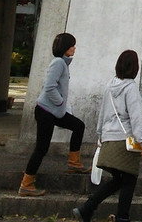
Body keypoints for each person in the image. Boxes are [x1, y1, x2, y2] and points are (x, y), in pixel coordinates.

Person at [73, 50, 142, 222]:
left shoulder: (110, 85)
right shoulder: (131, 88)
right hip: (125, 141)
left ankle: (87, 209)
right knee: (129, 179)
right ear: (135, 67)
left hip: (109, 139)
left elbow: (102, 113)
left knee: (118, 179)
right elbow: (136, 117)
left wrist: (101, 136)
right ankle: (122, 217)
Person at [19, 32, 90, 197]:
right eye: (72, 45)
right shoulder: (58, 63)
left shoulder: (63, 64)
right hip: (46, 111)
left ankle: (74, 163)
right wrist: (59, 103)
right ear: (65, 47)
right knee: (41, 148)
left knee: (78, 126)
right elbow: (49, 86)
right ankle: (26, 183)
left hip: (54, 111)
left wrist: (62, 106)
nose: (74, 48)